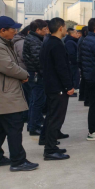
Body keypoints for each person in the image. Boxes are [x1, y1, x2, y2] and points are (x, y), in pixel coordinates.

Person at [0, 16, 38, 172]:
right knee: (14, 128)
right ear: (2, 30)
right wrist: (24, 74)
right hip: (5, 94)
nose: (15, 31)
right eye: (13, 29)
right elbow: (8, 67)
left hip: (1, 92)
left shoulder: (3, 43)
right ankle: (18, 161)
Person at [39, 17, 74, 161]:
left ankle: (50, 144)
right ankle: (50, 150)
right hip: (57, 87)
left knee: (52, 116)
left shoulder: (48, 42)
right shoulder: (56, 44)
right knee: (56, 119)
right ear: (60, 28)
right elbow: (62, 68)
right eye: (65, 27)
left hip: (51, 85)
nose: (66, 29)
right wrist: (68, 86)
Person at [23, 19, 49, 136]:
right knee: (37, 101)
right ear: (38, 30)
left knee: (35, 100)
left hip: (35, 73)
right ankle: (34, 126)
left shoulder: (34, 38)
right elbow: (38, 60)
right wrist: (45, 72)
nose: (46, 31)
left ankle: (32, 124)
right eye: (45, 29)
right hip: (37, 74)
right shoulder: (34, 40)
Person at [12, 26, 31, 114]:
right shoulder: (21, 42)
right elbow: (24, 56)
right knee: (27, 94)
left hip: (22, 69)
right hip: (23, 69)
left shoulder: (21, 41)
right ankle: (26, 114)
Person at [64, 28, 81, 97]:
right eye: (76, 33)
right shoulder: (70, 42)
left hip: (73, 63)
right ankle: (72, 91)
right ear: (72, 34)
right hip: (72, 64)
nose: (77, 34)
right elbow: (71, 54)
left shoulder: (72, 41)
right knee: (73, 77)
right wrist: (75, 61)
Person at [77, 26, 88, 103]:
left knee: (84, 79)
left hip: (82, 61)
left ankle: (82, 96)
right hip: (82, 61)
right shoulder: (83, 40)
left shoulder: (83, 39)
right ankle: (82, 96)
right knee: (84, 79)